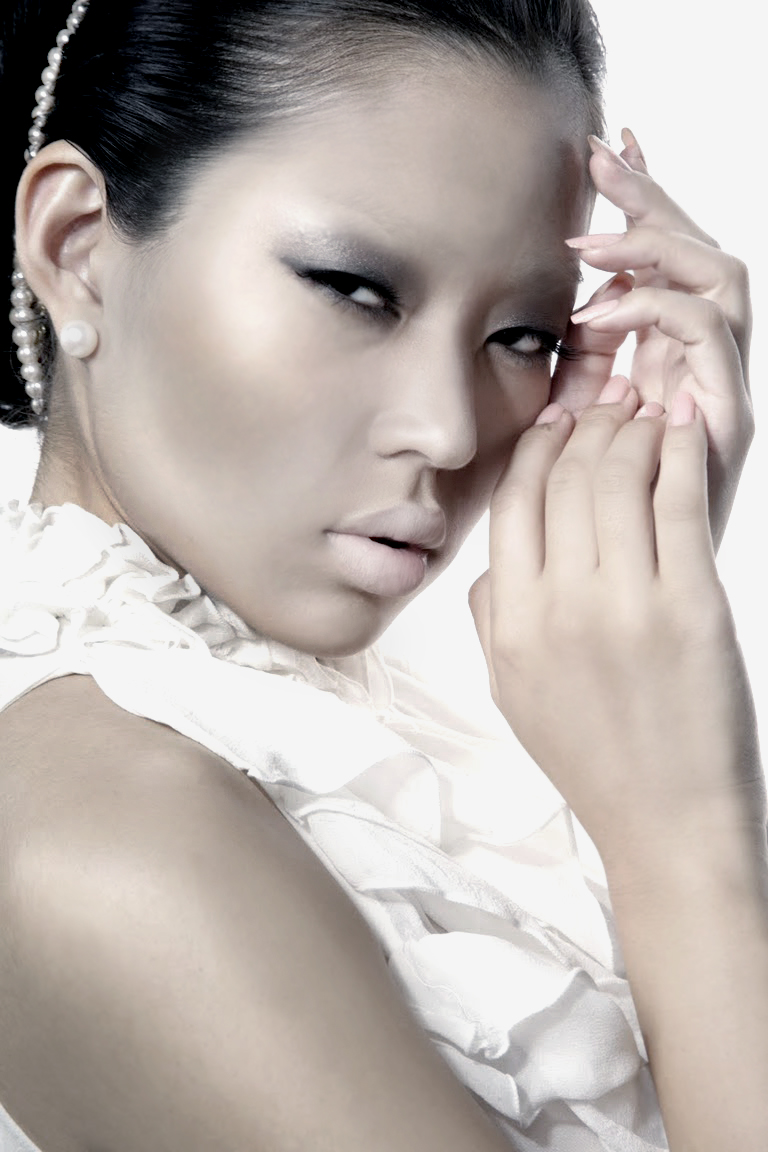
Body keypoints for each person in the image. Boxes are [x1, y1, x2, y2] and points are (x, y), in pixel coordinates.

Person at [0, 1, 766, 1150]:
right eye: (356, 289)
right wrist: (685, 838)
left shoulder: (370, 732)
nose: (451, 430)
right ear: (74, 246)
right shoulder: (100, 833)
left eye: (526, 337)